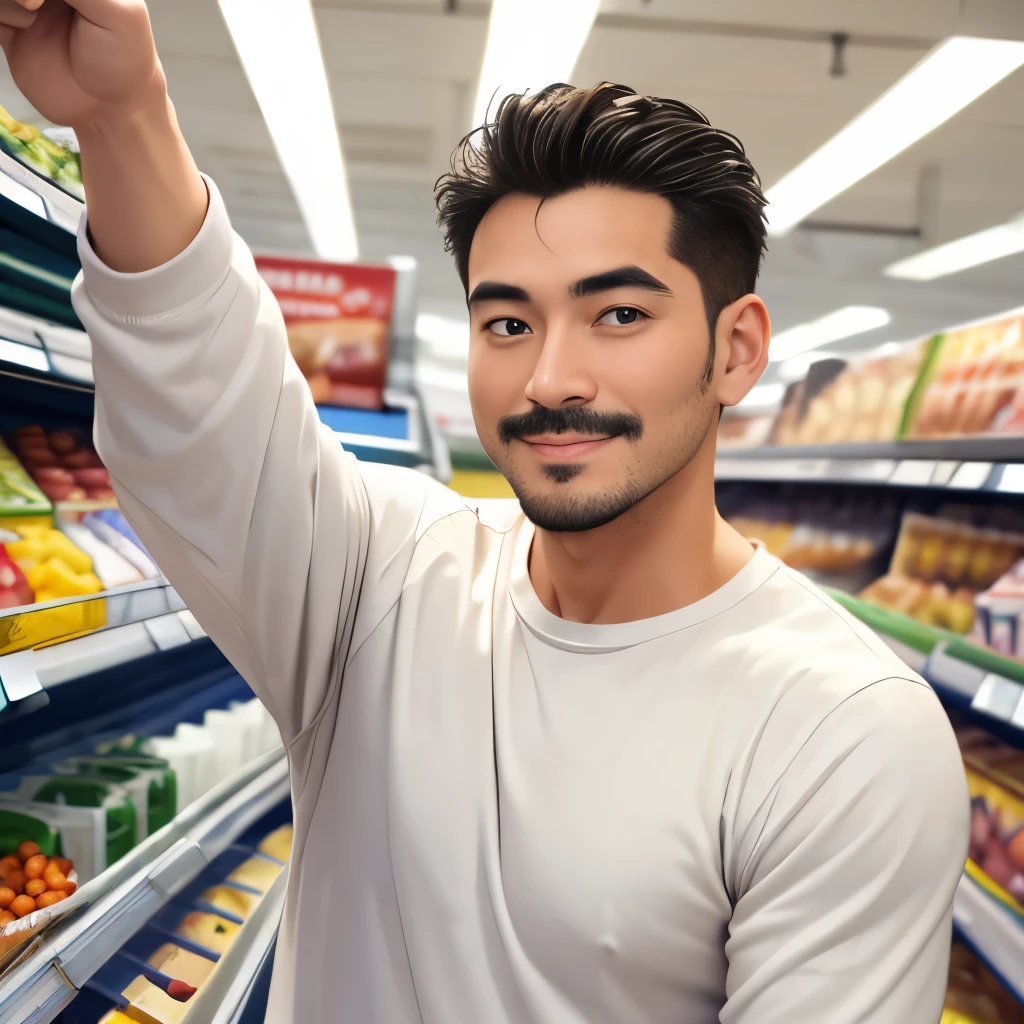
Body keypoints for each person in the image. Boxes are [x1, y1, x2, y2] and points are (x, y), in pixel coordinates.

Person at [0, 1, 969, 1021]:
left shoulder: (844, 735)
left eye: (620, 314)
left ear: (735, 348)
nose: (551, 375)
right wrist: (121, 114)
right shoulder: (385, 579)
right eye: (507, 319)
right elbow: (203, 414)